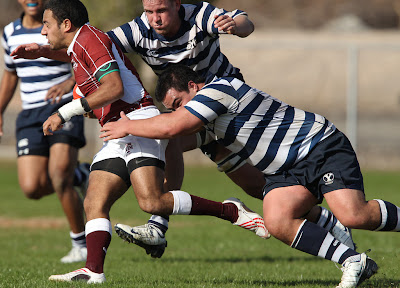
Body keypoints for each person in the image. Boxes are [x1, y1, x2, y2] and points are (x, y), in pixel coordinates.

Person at [10, 0, 354, 258]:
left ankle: (159, 226)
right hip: (186, 109)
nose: (155, 18)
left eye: (161, 10)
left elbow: (244, 22)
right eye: (149, 10)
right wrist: (43, 51)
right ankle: (327, 223)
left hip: (229, 108)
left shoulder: (198, 15)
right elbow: (95, 47)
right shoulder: (139, 28)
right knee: (249, 183)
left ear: (178, 5)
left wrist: (236, 25)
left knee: (191, 149)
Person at [99, 64, 400, 288]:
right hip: (286, 171)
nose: (179, 110)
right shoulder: (206, 118)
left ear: (193, 85)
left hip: (317, 145)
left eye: (179, 103)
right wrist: (134, 147)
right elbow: (174, 137)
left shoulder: (219, 90)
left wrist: (129, 127)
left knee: (354, 215)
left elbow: (170, 127)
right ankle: (353, 261)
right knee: (277, 220)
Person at [32, 0, 267, 283]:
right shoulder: (87, 46)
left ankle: (232, 211)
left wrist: (64, 112)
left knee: (154, 201)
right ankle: (93, 271)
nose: (43, 31)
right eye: (148, 11)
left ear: (66, 25)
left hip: (216, 108)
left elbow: (114, 86)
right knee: (94, 201)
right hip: (125, 127)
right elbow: (103, 81)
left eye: (46, 25)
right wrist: (42, 54)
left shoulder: (92, 39)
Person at [0, 0, 88, 263]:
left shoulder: (61, 23)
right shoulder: (9, 33)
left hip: (63, 107)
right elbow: (10, 74)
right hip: (29, 114)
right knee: (31, 187)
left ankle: (80, 244)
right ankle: (82, 174)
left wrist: (69, 82)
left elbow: (83, 57)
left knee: (59, 175)